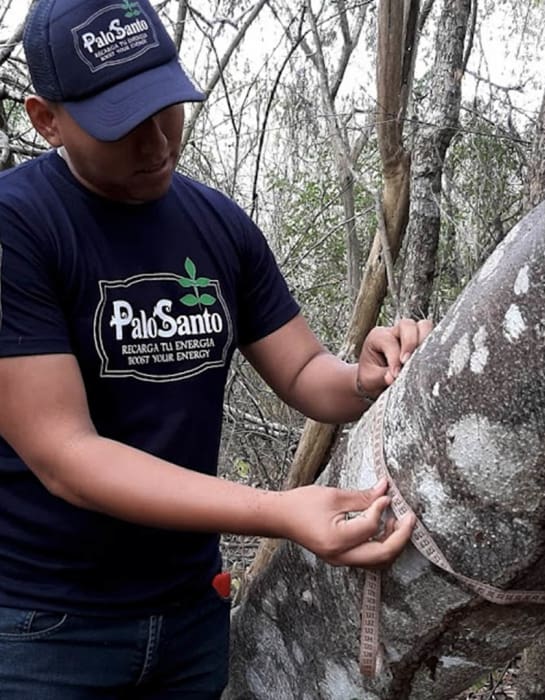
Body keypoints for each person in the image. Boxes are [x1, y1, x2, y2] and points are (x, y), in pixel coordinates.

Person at [0, 0, 431, 697]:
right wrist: (278, 511)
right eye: (121, 124)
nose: (157, 142)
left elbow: (301, 370)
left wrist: (366, 375)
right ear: (45, 118)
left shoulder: (216, 225)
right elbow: (66, 456)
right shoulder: (18, 228)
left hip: (189, 616)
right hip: (47, 629)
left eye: (164, 105)